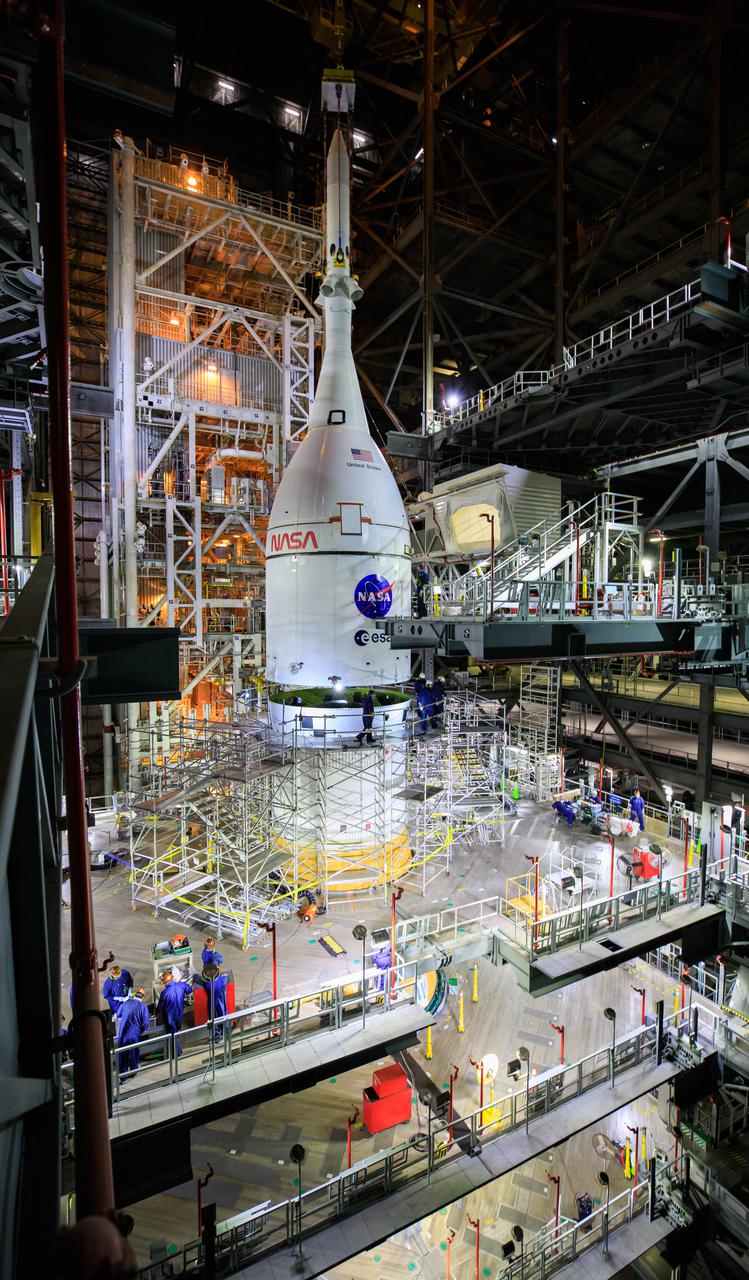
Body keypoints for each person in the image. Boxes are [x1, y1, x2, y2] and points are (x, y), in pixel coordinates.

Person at [115, 989, 150, 1079]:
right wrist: (140, 1031)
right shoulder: (143, 1006)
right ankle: (133, 1071)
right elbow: (146, 1024)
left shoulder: (125, 1004)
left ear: (134, 996)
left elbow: (117, 1015)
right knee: (133, 1053)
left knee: (123, 1055)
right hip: (134, 1035)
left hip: (122, 1034)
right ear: (142, 997)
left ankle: (123, 1078)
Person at [156, 971, 191, 1057]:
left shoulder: (164, 993)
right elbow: (189, 990)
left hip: (170, 1017)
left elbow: (160, 1008)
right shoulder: (181, 985)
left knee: (172, 1034)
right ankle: (177, 1051)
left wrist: (156, 1012)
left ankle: (177, 1054)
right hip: (179, 1014)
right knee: (177, 1032)